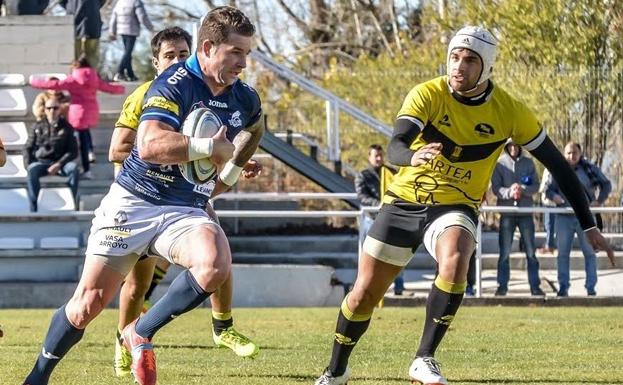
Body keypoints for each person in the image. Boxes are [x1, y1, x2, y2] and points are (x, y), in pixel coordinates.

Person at [313, 26, 614, 385]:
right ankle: (336, 370)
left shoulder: (510, 111)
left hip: (456, 205)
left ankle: (423, 357)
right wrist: (412, 156)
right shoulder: (427, 93)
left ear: (486, 67)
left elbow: (559, 166)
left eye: (470, 59)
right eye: (455, 56)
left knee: (456, 255)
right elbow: (395, 145)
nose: (459, 65)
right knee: (363, 294)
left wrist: (589, 224)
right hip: (404, 201)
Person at [22, 6, 264, 385]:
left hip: (185, 207)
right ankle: (36, 377)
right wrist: (208, 148)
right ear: (208, 47)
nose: (242, 63)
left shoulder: (244, 97)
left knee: (215, 264)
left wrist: (229, 172)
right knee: (87, 306)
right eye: (235, 52)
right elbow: (149, 145)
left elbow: (255, 127)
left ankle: (139, 331)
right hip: (135, 200)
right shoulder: (173, 83)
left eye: (247, 53)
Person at [108, 26, 258, 378]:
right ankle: (123, 342)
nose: (177, 60)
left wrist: (231, 161)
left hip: (188, 195)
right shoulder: (147, 93)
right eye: (169, 55)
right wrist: (180, 151)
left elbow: (218, 142)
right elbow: (118, 148)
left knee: (219, 252)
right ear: (156, 62)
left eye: (182, 54)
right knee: (137, 284)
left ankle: (223, 327)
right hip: (144, 196)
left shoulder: (205, 91)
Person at [29, 55, 125, 178]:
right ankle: (88, 160)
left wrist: (33, 81)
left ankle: (84, 167)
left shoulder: (73, 79)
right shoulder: (94, 78)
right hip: (91, 111)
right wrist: (122, 89)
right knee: (85, 135)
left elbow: (55, 84)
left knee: (76, 141)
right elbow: (109, 88)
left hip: (77, 112)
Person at [544, 141, 612, 297]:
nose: (571, 156)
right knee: (562, 254)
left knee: (589, 253)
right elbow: (547, 189)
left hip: (586, 219)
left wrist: (599, 201)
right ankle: (563, 288)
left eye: (574, 153)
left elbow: (606, 185)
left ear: (580, 154)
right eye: (568, 153)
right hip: (563, 217)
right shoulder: (558, 168)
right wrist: (555, 197)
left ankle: (591, 289)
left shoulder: (589, 169)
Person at [491, 140, 544, 296]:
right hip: (507, 213)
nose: (513, 148)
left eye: (516, 145)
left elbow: (536, 185)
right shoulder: (499, 163)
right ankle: (502, 288)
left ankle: (535, 287)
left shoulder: (529, 163)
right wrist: (510, 192)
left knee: (531, 252)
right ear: (507, 147)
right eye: (510, 146)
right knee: (504, 253)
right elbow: (496, 188)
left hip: (525, 213)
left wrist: (523, 189)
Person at [355, 144, 404, 295]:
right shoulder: (363, 175)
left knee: (397, 254)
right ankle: (367, 289)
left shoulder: (392, 172)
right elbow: (362, 196)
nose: (378, 158)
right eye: (375, 155)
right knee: (370, 256)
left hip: (391, 219)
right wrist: (379, 204)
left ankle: (399, 287)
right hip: (372, 219)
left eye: (380, 155)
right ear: (369, 157)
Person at [23, 98, 79, 212]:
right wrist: (28, 164)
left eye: (55, 108)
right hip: (41, 162)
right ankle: (34, 207)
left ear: (60, 110)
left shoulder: (67, 127)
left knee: (73, 169)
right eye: (49, 108)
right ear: (45, 110)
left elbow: (73, 151)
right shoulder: (37, 126)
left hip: (61, 163)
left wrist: (59, 164)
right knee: (32, 170)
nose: (52, 111)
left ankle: (72, 203)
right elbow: (27, 148)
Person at [109, 0, 155, 82]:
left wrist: (112, 31)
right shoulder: (136, 2)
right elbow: (142, 17)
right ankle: (119, 72)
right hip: (131, 31)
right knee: (128, 52)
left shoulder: (120, 2)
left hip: (121, 31)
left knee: (127, 52)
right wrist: (151, 28)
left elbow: (114, 17)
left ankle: (131, 75)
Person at [59, 0, 105, 68]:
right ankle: (90, 75)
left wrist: (71, 7)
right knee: (91, 57)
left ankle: (79, 75)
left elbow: (61, 2)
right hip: (90, 18)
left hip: (77, 19)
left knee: (75, 56)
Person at [537, 168, 557, 254]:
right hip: (548, 202)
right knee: (548, 224)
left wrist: (541, 189)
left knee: (549, 225)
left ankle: (549, 246)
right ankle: (549, 244)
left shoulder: (550, 169)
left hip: (551, 202)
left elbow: (545, 185)